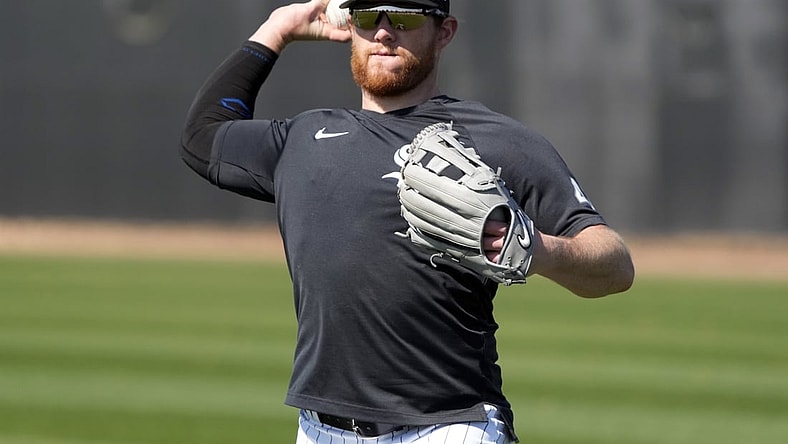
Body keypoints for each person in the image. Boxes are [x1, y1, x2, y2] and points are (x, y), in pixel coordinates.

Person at [180, 0, 635, 442]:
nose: (382, 31)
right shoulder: (301, 139)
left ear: (445, 31)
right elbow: (202, 138)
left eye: (403, 15)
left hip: (449, 426)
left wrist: (540, 250)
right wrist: (277, 30)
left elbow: (615, 266)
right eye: (367, 15)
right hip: (318, 430)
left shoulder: (495, 141)